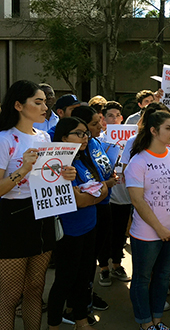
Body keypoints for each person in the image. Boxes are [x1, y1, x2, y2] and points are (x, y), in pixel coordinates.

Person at [0, 81, 76, 330]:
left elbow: (48, 179)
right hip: (11, 219)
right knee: (10, 295)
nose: (45, 106)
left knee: (35, 288)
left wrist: (65, 174)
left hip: (42, 214)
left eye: (45, 101)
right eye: (38, 102)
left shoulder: (44, 136)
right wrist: (23, 169)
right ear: (18, 105)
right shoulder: (3, 139)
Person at [125, 108, 170, 330]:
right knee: (142, 279)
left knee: (162, 276)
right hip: (146, 234)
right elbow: (137, 200)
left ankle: (158, 320)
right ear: (153, 130)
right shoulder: (138, 161)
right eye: (168, 128)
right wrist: (159, 229)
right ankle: (145, 323)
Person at [46, 117, 109, 330]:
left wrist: (88, 195)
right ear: (64, 137)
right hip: (69, 231)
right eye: (79, 133)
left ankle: (81, 320)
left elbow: (104, 188)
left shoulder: (84, 159)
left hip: (90, 226)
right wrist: (92, 195)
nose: (85, 138)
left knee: (84, 278)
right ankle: (53, 324)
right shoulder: (56, 165)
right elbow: (80, 199)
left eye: (86, 133)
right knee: (65, 280)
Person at [101, 101, 133, 285]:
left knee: (120, 232)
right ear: (104, 120)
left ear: (122, 118)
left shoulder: (132, 139)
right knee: (106, 232)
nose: (114, 119)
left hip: (125, 194)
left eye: (117, 116)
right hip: (108, 194)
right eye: (110, 116)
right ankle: (103, 267)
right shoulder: (101, 139)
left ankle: (116, 264)